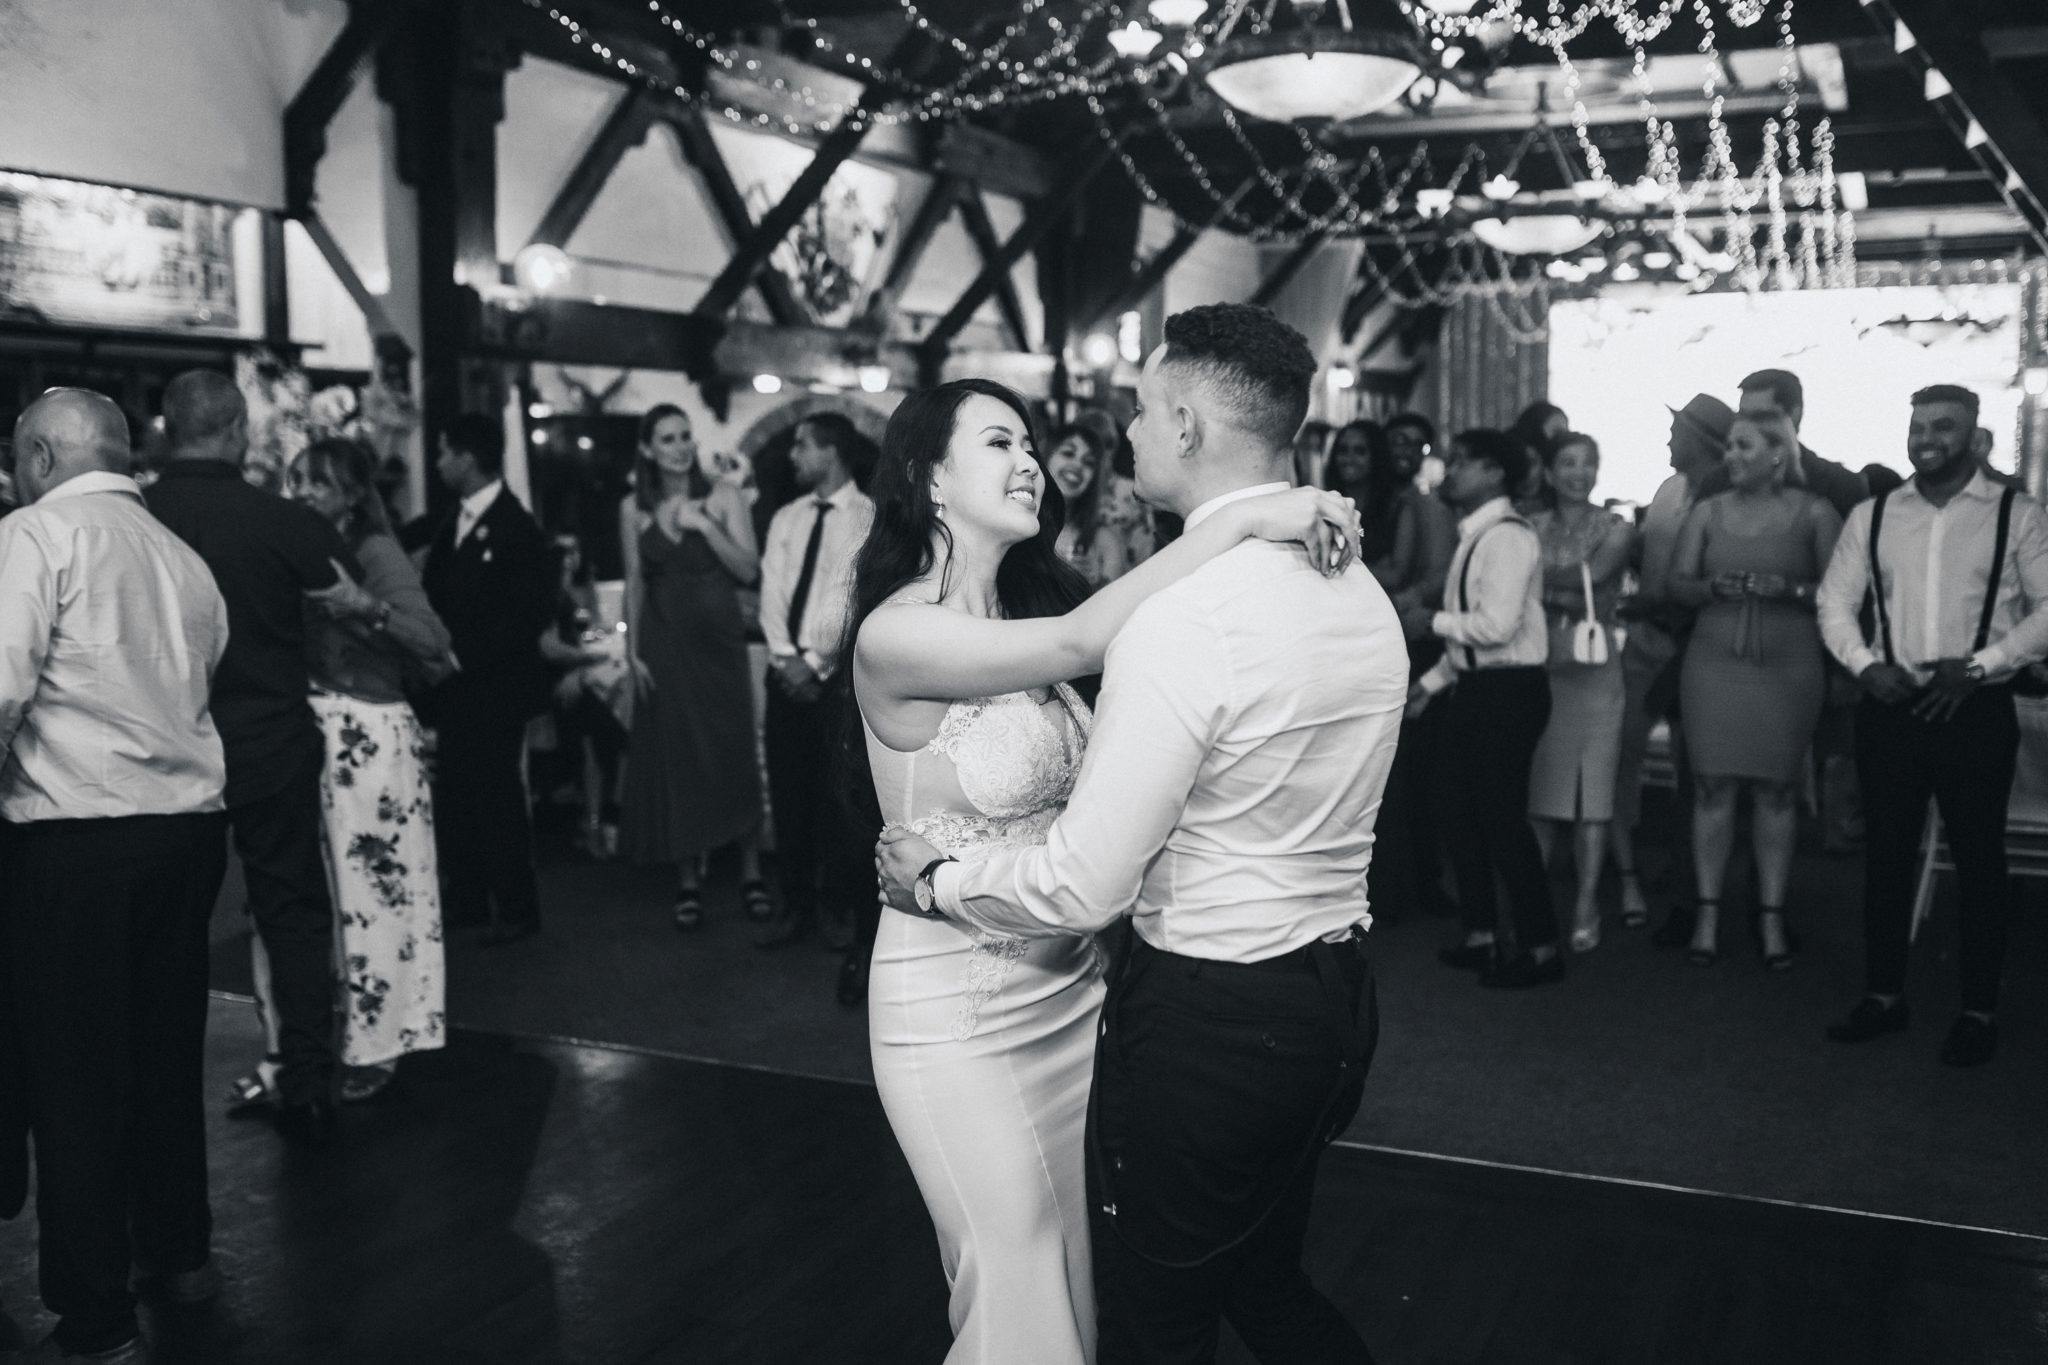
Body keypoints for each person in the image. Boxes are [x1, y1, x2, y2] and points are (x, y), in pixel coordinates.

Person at [869, 305, 1384, 1364]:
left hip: (1090, 988)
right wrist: (1243, 522)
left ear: (1186, 424)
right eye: (998, 442)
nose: (1047, 457)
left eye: (1140, 410)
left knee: (1122, 1298)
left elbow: (1092, 826)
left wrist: (943, 877)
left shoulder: (1079, 612)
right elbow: (1081, 642)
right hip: (965, 1002)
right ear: (927, 478)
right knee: (1023, 1283)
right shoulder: (903, 629)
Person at [0, 389, 231, 1360]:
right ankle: (179, 1255)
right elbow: (203, 671)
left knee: (77, 1077)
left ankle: (95, 1314)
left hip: (77, 843)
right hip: (185, 837)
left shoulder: (35, 535)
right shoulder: (181, 556)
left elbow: (0, 682)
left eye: (17, 458)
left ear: (47, 457)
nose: (13, 475)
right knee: (165, 1057)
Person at [148, 368, 364, 1143]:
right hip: (271, 739)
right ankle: (307, 1076)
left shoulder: (138, 518)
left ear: (169, 428)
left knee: (165, 924)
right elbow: (351, 597)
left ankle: (155, 1087)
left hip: (163, 748)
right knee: (291, 910)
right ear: (239, 429)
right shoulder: (282, 520)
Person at [1818, 385, 2048, 1067]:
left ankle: (1978, 1009)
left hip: (1974, 708)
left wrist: (1983, 664)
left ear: (1976, 438)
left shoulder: (2018, 513)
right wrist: (1864, 666)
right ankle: (1883, 994)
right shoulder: (1876, 513)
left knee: (1980, 862)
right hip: (1891, 702)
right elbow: (1835, 602)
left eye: (1943, 427)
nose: (1927, 438)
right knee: (1885, 857)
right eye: (1918, 426)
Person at [281, 437, 452, 1102]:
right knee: (337, 897)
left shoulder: (375, 550)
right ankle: (347, 1028)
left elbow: (434, 639)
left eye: (317, 483)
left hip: (371, 737)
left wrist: (365, 606)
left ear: (352, 494)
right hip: (324, 733)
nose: (303, 495)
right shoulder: (303, 545)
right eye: (297, 482)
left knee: (376, 894)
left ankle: (382, 1041)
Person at [1668, 409, 1841, 969]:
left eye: (1744, 447)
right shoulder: (1707, 512)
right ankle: (1709, 915)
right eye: (1730, 448)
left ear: (1777, 454)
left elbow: (1842, 594)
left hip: (1788, 664)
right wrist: (1711, 587)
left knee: (1776, 792)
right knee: (1712, 787)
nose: (1731, 457)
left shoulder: (1815, 512)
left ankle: (1771, 918)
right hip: (1714, 660)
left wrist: (1789, 587)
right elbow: (1677, 585)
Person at [1410, 429, 1559, 986]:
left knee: (1500, 820)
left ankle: (1541, 945)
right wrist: (1430, 682)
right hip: (1481, 687)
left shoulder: (1507, 537)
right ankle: (1482, 932)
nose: (1450, 471)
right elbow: (1472, 649)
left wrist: (1431, 622)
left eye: (1464, 463)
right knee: (1454, 806)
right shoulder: (1478, 534)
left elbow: (1497, 629)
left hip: (1510, 690)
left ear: (1496, 473)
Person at [618, 404, 769, 929]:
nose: (680, 447)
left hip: (719, 643)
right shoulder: (633, 508)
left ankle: (751, 872)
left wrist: (704, 524)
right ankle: (689, 880)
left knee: (733, 750)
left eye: (685, 436)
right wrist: (632, 652)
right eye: (667, 439)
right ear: (647, 449)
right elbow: (635, 583)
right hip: (666, 645)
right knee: (680, 755)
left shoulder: (723, 496)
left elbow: (749, 570)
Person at [421, 413, 554, 947]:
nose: (438, 463)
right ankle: (468, 898)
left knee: (496, 797)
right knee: (455, 795)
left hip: (496, 686)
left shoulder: (516, 526)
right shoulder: (451, 519)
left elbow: (527, 615)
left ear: (466, 457)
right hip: (455, 690)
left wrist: (458, 657)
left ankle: (517, 907)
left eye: (443, 452)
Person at [755, 413, 879, 982]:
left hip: (835, 682)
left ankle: (836, 907)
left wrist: (814, 663)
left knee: (836, 799)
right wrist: (783, 655)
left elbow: (850, 599)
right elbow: (772, 590)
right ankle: (794, 902)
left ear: (832, 451)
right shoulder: (787, 516)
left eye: (803, 445)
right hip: (784, 674)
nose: (794, 455)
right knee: (787, 791)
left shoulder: (867, 515)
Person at [1617, 395, 1735, 942]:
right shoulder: (1667, 490)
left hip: (1694, 648)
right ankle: (1628, 870)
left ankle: (1692, 892)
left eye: (1675, 431)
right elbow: (1647, 555)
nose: (1667, 440)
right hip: (1644, 643)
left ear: (1701, 441)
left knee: (1697, 776)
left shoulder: (1727, 495)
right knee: (1624, 754)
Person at [1527, 433, 1634, 952]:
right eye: (1567, 463)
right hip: (1543, 661)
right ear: (1548, 473)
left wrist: (1539, 583)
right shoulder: (1531, 526)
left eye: (1588, 463)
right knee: (1541, 792)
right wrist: (1559, 584)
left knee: (1594, 796)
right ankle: (1538, 905)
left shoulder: (1616, 527)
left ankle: (1587, 903)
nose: (1579, 472)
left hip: (1595, 672)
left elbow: (1596, 575)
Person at [539, 534, 630, 861]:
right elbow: (548, 647)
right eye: (564, 557)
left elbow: (581, 629)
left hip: (568, 678)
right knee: (614, 741)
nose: (570, 561)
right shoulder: (549, 594)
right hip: (559, 685)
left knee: (603, 744)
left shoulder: (562, 591)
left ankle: (597, 821)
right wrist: (587, 660)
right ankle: (603, 820)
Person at [1047, 422, 1134, 587]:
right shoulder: (1019, 527)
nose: (1077, 465)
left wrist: (1092, 583)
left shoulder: (1104, 542)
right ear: (1045, 456)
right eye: (1068, 453)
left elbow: (1114, 608)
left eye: (1088, 463)